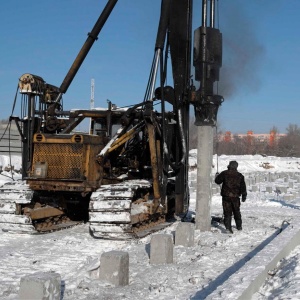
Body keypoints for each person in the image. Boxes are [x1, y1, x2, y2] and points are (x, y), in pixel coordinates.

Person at [214, 160, 247, 234]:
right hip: (235, 197)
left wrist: (216, 176)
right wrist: (244, 196)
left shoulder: (224, 173)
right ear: (236, 167)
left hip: (226, 197)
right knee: (237, 211)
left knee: (227, 213)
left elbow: (217, 181)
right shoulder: (240, 175)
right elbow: (243, 187)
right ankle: (239, 226)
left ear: (229, 165)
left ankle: (228, 228)